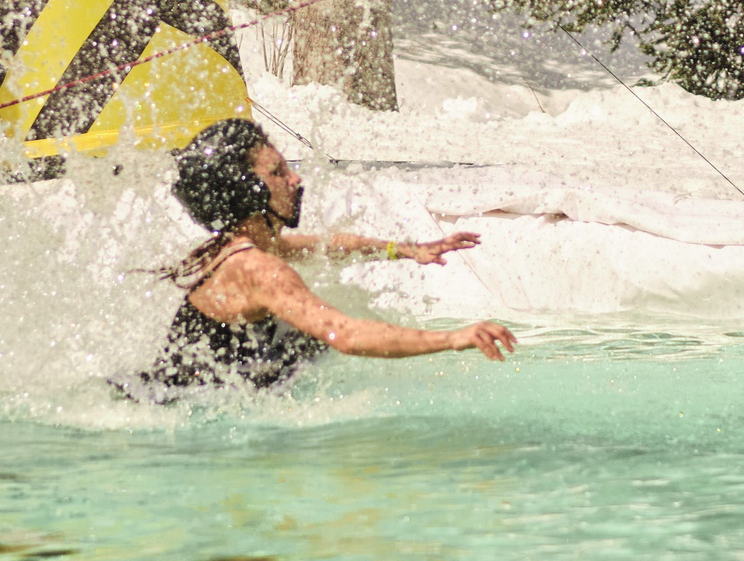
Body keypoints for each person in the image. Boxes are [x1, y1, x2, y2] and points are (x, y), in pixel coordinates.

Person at [139, 118, 516, 392]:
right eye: (278, 172)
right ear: (247, 191)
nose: (295, 180)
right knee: (307, 342)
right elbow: (347, 336)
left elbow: (329, 246)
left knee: (299, 346)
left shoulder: (236, 248)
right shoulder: (259, 269)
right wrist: (453, 339)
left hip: (167, 396)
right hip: (180, 413)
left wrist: (405, 250)